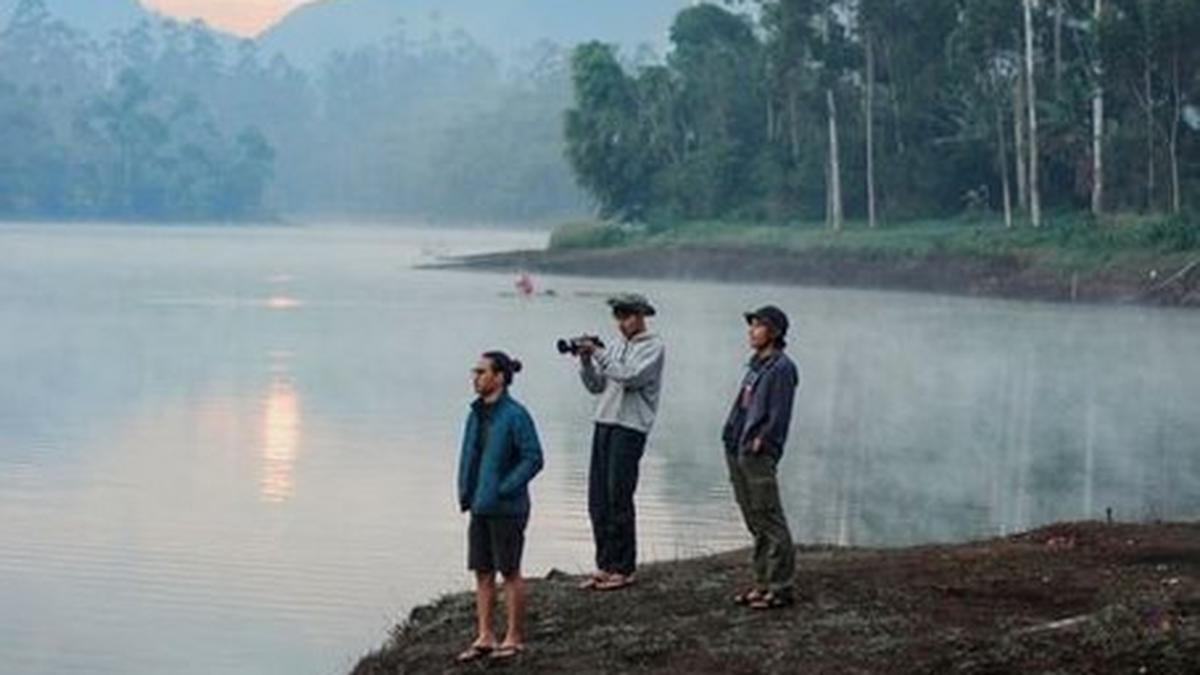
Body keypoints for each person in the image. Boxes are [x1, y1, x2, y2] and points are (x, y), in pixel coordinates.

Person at [455, 351, 544, 662]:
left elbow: (534, 458)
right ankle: (485, 636)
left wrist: (505, 489)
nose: (475, 378)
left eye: (481, 372)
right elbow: (469, 456)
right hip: (479, 505)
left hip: (507, 508)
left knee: (509, 571)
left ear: (500, 377)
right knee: (482, 571)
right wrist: (466, 492)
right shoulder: (475, 413)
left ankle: (514, 637)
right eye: (475, 372)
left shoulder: (516, 415)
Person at [573, 293, 665, 591]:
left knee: (619, 496)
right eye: (618, 316)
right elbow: (596, 385)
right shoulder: (613, 347)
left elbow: (630, 376)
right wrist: (587, 360)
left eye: (626, 315)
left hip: (630, 427)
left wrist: (598, 353)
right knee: (598, 498)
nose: (621, 322)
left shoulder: (653, 347)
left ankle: (624, 567)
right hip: (604, 423)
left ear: (641, 316)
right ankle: (605, 564)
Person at [723, 305, 800, 610]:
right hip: (738, 447)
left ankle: (781, 587)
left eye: (758, 325)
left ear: (775, 332)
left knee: (769, 516)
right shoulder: (756, 364)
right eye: (751, 325)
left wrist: (760, 442)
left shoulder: (782, 368)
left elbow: (779, 415)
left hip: (757, 452)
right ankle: (762, 583)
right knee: (754, 518)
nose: (752, 331)